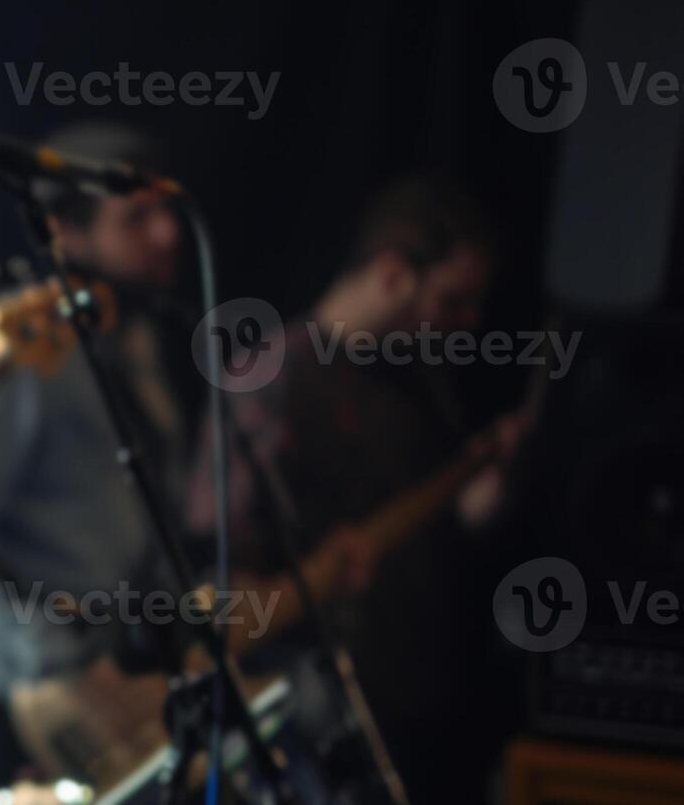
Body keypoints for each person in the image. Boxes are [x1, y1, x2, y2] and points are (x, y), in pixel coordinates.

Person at [189, 176, 529, 801]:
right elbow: (221, 564)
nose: (468, 323)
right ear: (394, 274)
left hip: (421, 700)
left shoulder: (419, 385)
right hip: (315, 718)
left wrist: (491, 482)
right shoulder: (275, 376)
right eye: (453, 301)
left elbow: (453, 533)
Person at [0, 121, 206, 783]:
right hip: (5, 704)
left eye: (166, 212)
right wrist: (46, 656)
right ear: (67, 234)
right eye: (137, 218)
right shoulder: (18, 343)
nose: (167, 234)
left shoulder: (141, 343)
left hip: (113, 682)